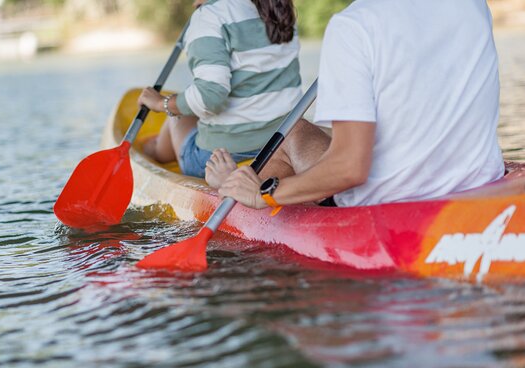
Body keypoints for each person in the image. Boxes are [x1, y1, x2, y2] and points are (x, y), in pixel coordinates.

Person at [214, 0, 505, 211]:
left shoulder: (354, 26)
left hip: (389, 202)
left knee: (294, 133)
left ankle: (238, 186)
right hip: (477, 185)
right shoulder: (474, 6)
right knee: (316, 132)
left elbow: (349, 168)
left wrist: (267, 193)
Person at [137, 0, 303, 181]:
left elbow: (210, 97)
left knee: (177, 114)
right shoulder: (278, 7)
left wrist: (161, 103)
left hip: (221, 159)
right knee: (188, 104)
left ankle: (152, 152)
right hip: (285, 143)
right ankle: (155, 148)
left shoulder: (209, 17)